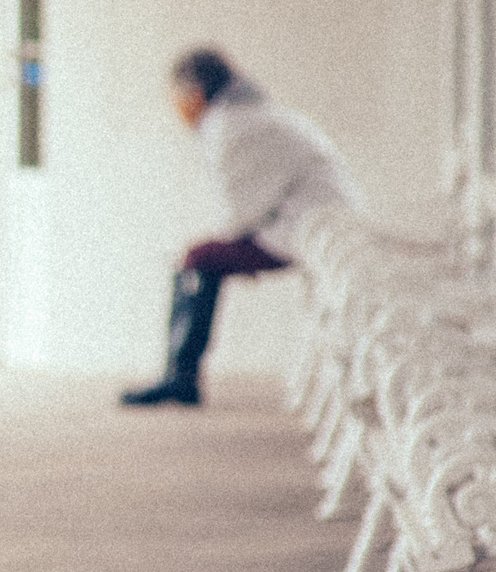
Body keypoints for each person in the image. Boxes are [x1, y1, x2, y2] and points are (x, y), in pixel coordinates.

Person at [121, 47, 359, 408]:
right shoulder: (251, 114)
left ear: (195, 94)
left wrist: (233, 249)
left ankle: (180, 377)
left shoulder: (231, 125)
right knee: (202, 257)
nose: (176, 108)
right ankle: (179, 375)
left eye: (177, 98)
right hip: (321, 227)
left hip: (313, 231)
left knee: (196, 259)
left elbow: (239, 214)